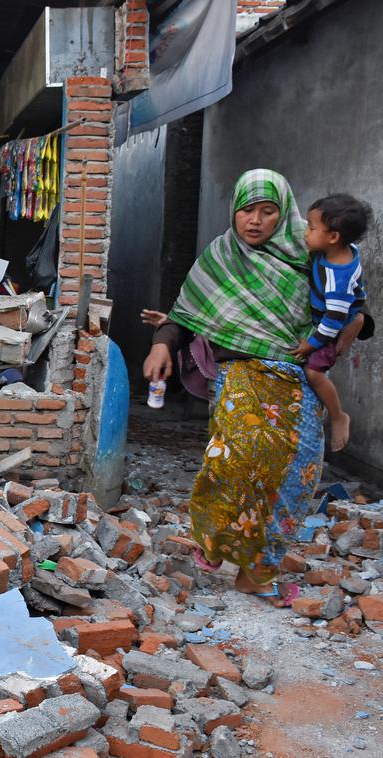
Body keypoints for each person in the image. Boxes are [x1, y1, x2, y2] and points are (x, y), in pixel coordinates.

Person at [143, 169, 372, 606]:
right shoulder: (220, 257)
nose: (255, 220)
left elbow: (352, 306)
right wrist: (161, 346)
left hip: (297, 376)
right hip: (241, 371)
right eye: (247, 209)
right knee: (234, 458)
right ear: (235, 210)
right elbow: (186, 311)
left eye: (268, 211)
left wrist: (352, 330)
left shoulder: (313, 256)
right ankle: (214, 544)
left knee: (297, 477)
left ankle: (257, 571)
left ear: (284, 214)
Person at [290, 194, 371, 452]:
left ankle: (338, 415)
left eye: (311, 228)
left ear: (333, 237)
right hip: (339, 313)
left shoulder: (336, 279)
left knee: (313, 372)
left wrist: (311, 345)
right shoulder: (339, 251)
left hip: (332, 326)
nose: (305, 233)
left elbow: (333, 322)